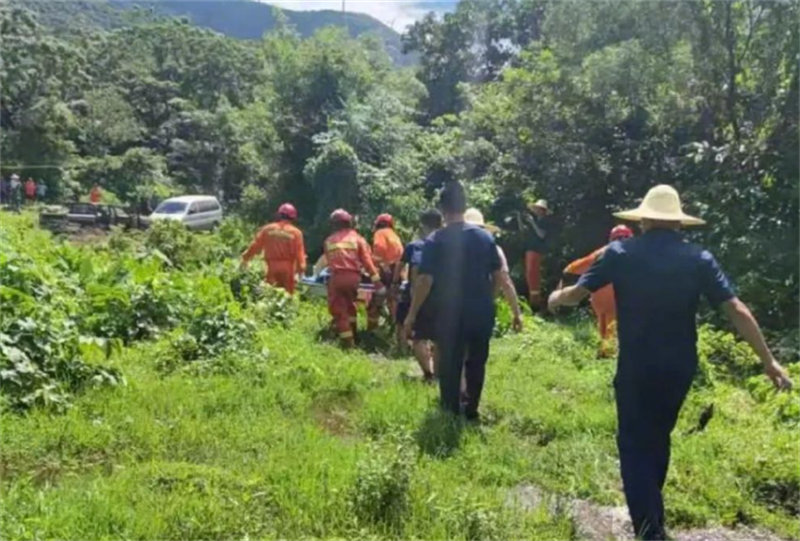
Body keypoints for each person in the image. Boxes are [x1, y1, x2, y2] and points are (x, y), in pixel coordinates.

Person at [547, 184, 792, 540]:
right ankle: (652, 518)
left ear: (644, 219)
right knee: (658, 436)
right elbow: (736, 309)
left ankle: (649, 529)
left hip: (637, 366)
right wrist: (769, 361)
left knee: (633, 442)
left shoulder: (620, 252)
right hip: (679, 367)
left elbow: (575, 295)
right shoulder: (698, 259)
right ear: (678, 224)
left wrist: (555, 297)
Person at [404, 181, 504, 421]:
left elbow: (425, 280)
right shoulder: (484, 238)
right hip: (481, 311)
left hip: (449, 313)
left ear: (442, 209)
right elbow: (499, 276)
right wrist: (487, 298)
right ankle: (471, 409)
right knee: (477, 361)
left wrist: (412, 313)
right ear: (464, 205)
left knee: (450, 363)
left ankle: (450, 412)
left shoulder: (436, 240)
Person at [560, 224, 633, 357]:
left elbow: (578, 266)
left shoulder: (602, 252)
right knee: (613, 328)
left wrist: (567, 270)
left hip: (598, 299)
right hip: (618, 299)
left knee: (604, 326)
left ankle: (605, 352)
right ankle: (609, 356)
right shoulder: (632, 253)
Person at [393, 209, 443, 382]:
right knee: (439, 338)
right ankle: (438, 376)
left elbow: (400, 267)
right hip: (442, 297)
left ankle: (428, 374)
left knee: (418, 336)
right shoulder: (447, 246)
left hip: (417, 296)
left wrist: (393, 283)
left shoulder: (414, 246)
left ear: (423, 225)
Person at [323, 209, 383, 348]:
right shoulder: (358, 239)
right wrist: (378, 283)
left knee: (339, 310)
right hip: (354, 278)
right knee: (350, 306)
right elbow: (368, 262)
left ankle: (349, 345)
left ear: (334, 224)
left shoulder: (328, 241)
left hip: (337, 278)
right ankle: (355, 335)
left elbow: (328, 263)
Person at [464, 208, 523, 332]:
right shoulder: (494, 249)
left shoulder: (450, 249)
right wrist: (517, 313)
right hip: (483, 306)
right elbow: (505, 282)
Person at [240, 203, 306, 295]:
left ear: (279, 214)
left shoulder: (267, 229)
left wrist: (245, 258)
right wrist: (301, 271)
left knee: (270, 295)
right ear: (293, 217)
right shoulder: (296, 233)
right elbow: (299, 254)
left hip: (271, 267)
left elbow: (255, 246)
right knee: (287, 297)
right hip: (288, 269)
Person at [367, 214, 404, 330]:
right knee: (393, 302)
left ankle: (372, 330)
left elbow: (379, 249)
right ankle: (396, 330)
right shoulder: (395, 236)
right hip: (398, 273)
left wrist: (380, 264)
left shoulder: (380, 233)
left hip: (388, 272)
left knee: (375, 302)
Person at [524, 199, 551, 309]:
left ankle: (536, 303)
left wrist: (532, 223)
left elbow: (541, 235)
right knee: (529, 274)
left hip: (537, 250)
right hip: (530, 249)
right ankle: (533, 301)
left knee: (533, 273)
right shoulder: (535, 220)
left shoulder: (544, 222)